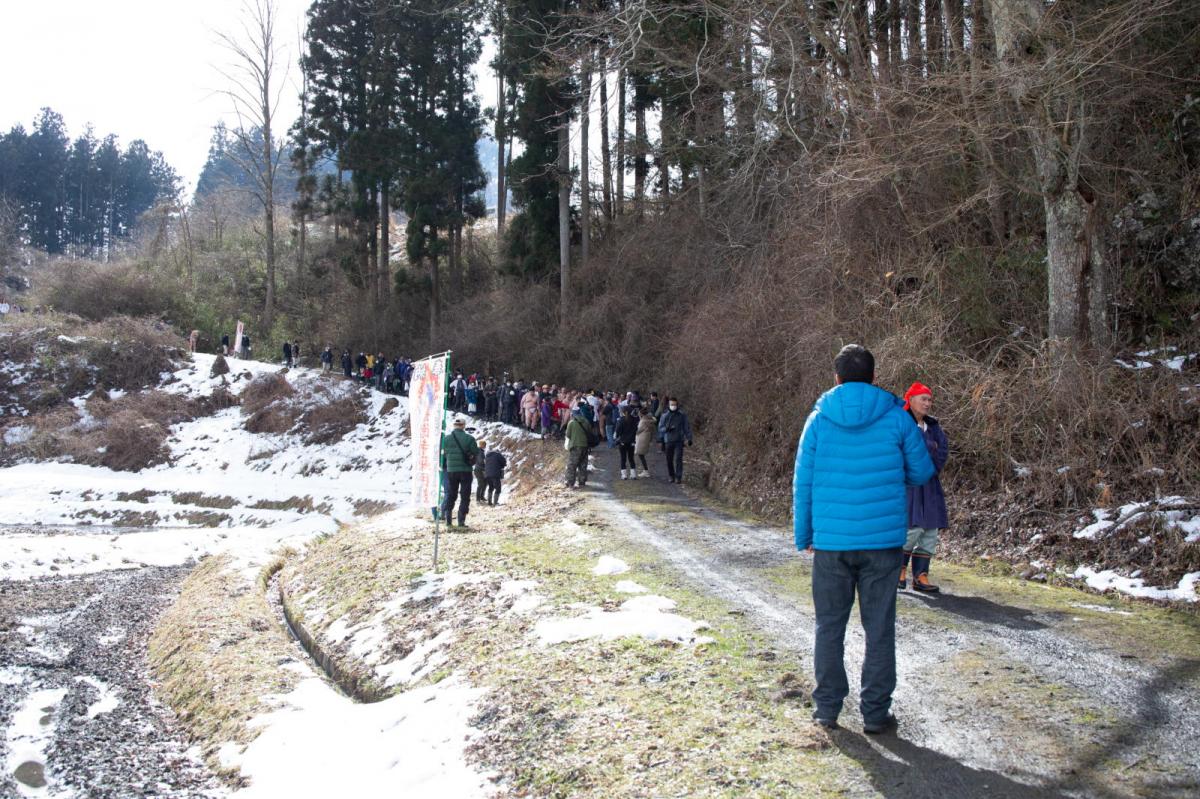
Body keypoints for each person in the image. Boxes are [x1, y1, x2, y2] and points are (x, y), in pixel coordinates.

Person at [793, 344, 935, 735]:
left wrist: (804, 533)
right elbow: (922, 471)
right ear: (873, 377)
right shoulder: (896, 418)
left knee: (829, 626)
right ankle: (875, 713)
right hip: (883, 542)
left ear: (836, 378)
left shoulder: (818, 420)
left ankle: (827, 709)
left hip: (832, 544)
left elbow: (802, 482)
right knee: (879, 628)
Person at [900, 382, 949, 594]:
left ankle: (921, 575)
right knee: (912, 528)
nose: (928, 404)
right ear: (910, 400)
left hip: (930, 482)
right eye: (924, 399)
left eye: (930, 400)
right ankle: (898, 570)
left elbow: (943, 449)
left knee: (930, 529)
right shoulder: (900, 422)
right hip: (908, 483)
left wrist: (929, 467)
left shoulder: (933, 426)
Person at [441, 417, 480, 528]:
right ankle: (461, 521)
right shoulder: (469, 438)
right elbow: (476, 452)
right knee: (465, 496)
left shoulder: (446, 439)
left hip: (451, 471)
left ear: (454, 426)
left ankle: (448, 521)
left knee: (451, 494)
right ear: (463, 426)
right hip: (465, 471)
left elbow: (443, 454)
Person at [657, 398, 693, 483]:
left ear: (677, 405)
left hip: (679, 440)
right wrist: (666, 429)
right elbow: (660, 428)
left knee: (678, 459)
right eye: (671, 404)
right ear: (669, 405)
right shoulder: (665, 415)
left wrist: (689, 438)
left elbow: (686, 427)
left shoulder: (682, 415)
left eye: (674, 404)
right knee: (669, 459)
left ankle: (678, 477)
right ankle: (671, 475)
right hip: (668, 440)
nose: (673, 406)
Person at [564, 408, 594, 488]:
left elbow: (568, 435)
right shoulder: (586, 421)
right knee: (583, 464)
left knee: (572, 465)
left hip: (575, 446)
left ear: (572, 414)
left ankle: (570, 482)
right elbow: (590, 432)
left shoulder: (571, 423)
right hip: (585, 446)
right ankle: (582, 482)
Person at [615, 406, 639, 480]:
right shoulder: (634, 420)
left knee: (623, 458)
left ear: (624, 412)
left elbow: (618, 431)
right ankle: (633, 474)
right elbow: (636, 430)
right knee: (631, 458)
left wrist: (617, 437)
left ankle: (624, 475)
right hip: (632, 441)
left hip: (622, 442)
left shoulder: (621, 420)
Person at [635, 409, 657, 478]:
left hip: (641, 439)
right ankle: (645, 470)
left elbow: (638, 431)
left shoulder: (643, 421)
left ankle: (646, 471)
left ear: (642, 414)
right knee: (641, 455)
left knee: (641, 455)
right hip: (647, 438)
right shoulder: (651, 420)